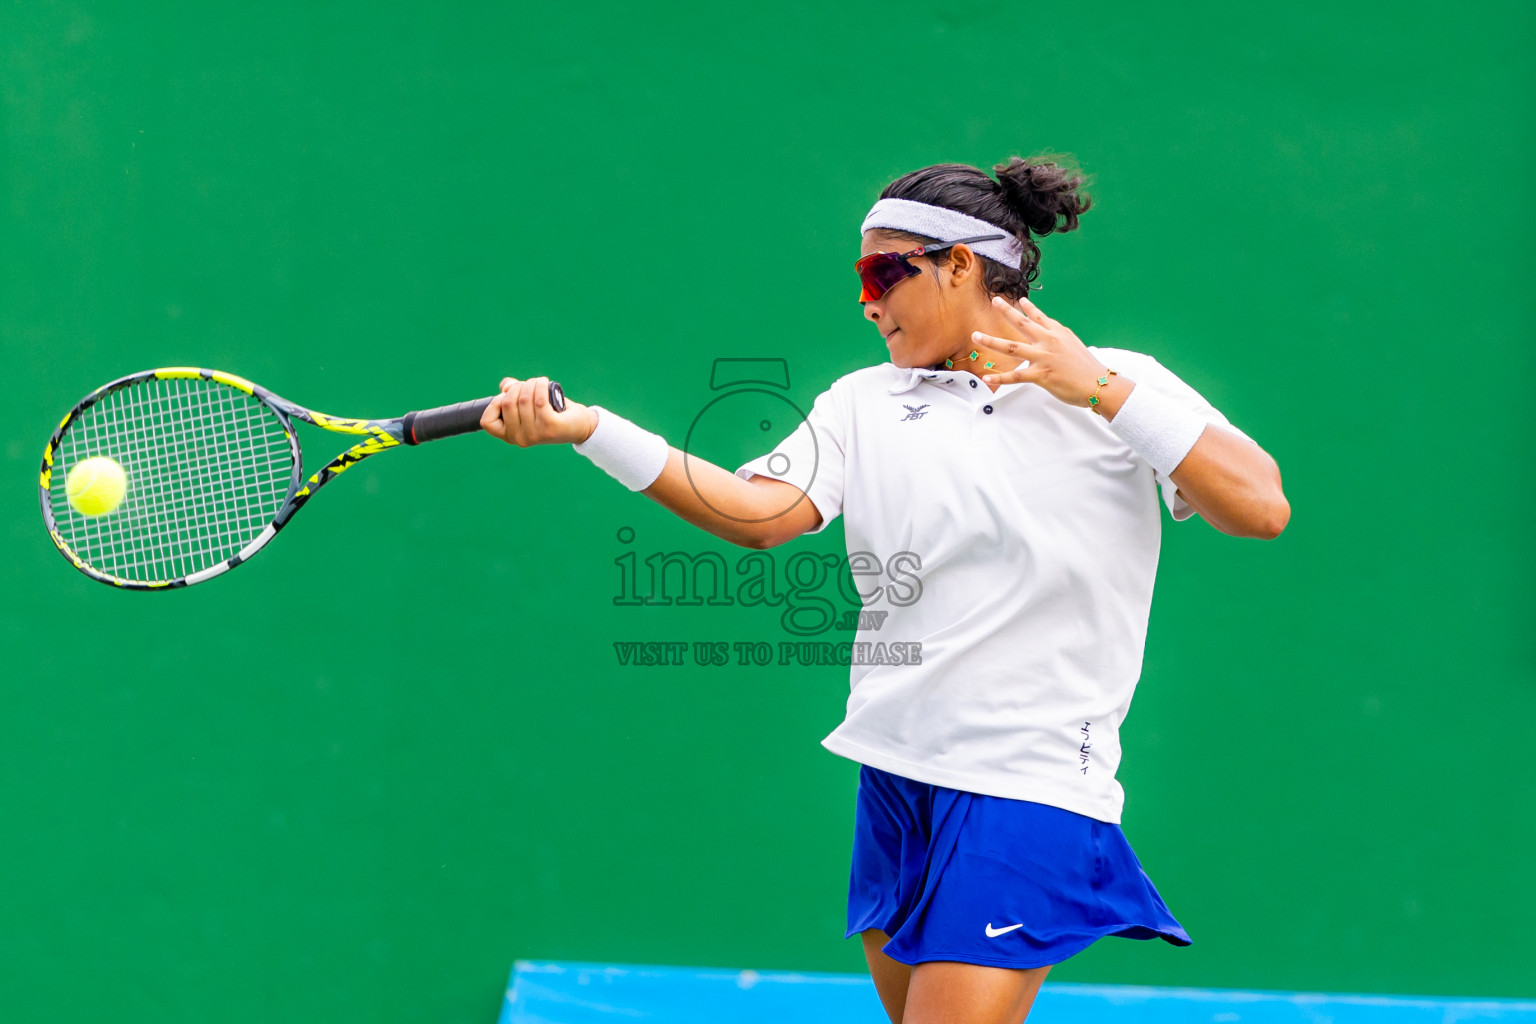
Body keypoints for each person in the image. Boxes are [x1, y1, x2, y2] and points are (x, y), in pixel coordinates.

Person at [478, 153, 1290, 1024]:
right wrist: (591, 430)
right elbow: (757, 514)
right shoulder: (861, 403)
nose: (866, 301)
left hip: (1031, 783)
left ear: (961, 265)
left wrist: (1097, 387)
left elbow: (1260, 506)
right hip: (897, 777)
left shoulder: (1118, 382)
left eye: (882, 272)